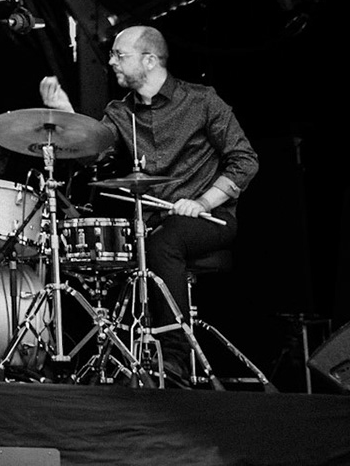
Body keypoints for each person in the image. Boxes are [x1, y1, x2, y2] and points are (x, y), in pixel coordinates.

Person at [40, 23, 257, 383]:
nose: (111, 62)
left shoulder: (202, 101)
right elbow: (93, 157)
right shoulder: (120, 112)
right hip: (156, 222)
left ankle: (175, 356)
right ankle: (127, 359)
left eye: (119, 55)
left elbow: (245, 160)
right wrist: (66, 115)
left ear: (151, 60)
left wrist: (203, 201)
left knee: (163, 243)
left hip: (211, 219)